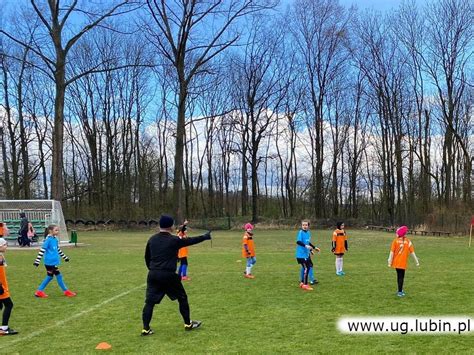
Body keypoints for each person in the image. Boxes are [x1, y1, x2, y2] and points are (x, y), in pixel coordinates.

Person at [141, 215, 212, 336]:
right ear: (170, 226)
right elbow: (190, 241)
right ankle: (188, 324)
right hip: (168, 275)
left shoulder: (152, 239)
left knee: (149, 302)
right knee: (182, 298)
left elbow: (147, 257)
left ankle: (145, 329)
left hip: (153, 274)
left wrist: (153, 270)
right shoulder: (173, 240)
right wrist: (205, 237)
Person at [33, 224, 76, 298]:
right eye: (56, 230)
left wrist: (64, 257)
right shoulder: (48, 240)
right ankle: (66, 291)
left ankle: (39, 291)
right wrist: (37, 261)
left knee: (50, 277)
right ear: (50, 231)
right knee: (58, 276)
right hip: (50, 263)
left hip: (53, 262)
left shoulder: (55, 239)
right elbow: (42, 250)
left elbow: (58, 249)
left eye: (58, 230)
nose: (58, 231)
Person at [387, 226, 420, 297]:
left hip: (396, 262)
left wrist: (389, 261)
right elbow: (412, 252)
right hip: (403, 263)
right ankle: (400, 292)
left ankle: (400, 290)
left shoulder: (395, 241)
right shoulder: (408, 241)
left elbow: (391, 252)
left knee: (399, 276)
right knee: (401, 277)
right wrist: (416, 261)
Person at [0, 239, 18, 335]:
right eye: (4, 245)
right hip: (1, 287)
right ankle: (4, 328)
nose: (6, 247)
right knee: (9, 305)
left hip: (3, 285)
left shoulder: (1, 256)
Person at [295, 220, 320, 291]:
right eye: (303, 225)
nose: (304, 226)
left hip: (306, 254)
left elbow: (308, 242)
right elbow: (298, 242)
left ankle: (302, 283)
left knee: (308, 267)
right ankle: (305, 284)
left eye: (306, 225)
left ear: (308, 226)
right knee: (307, 268)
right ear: (301, 226)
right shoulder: (301, 232)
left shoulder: (308, 233)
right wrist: (306, 246)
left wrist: (313, 248)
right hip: (301, 255)